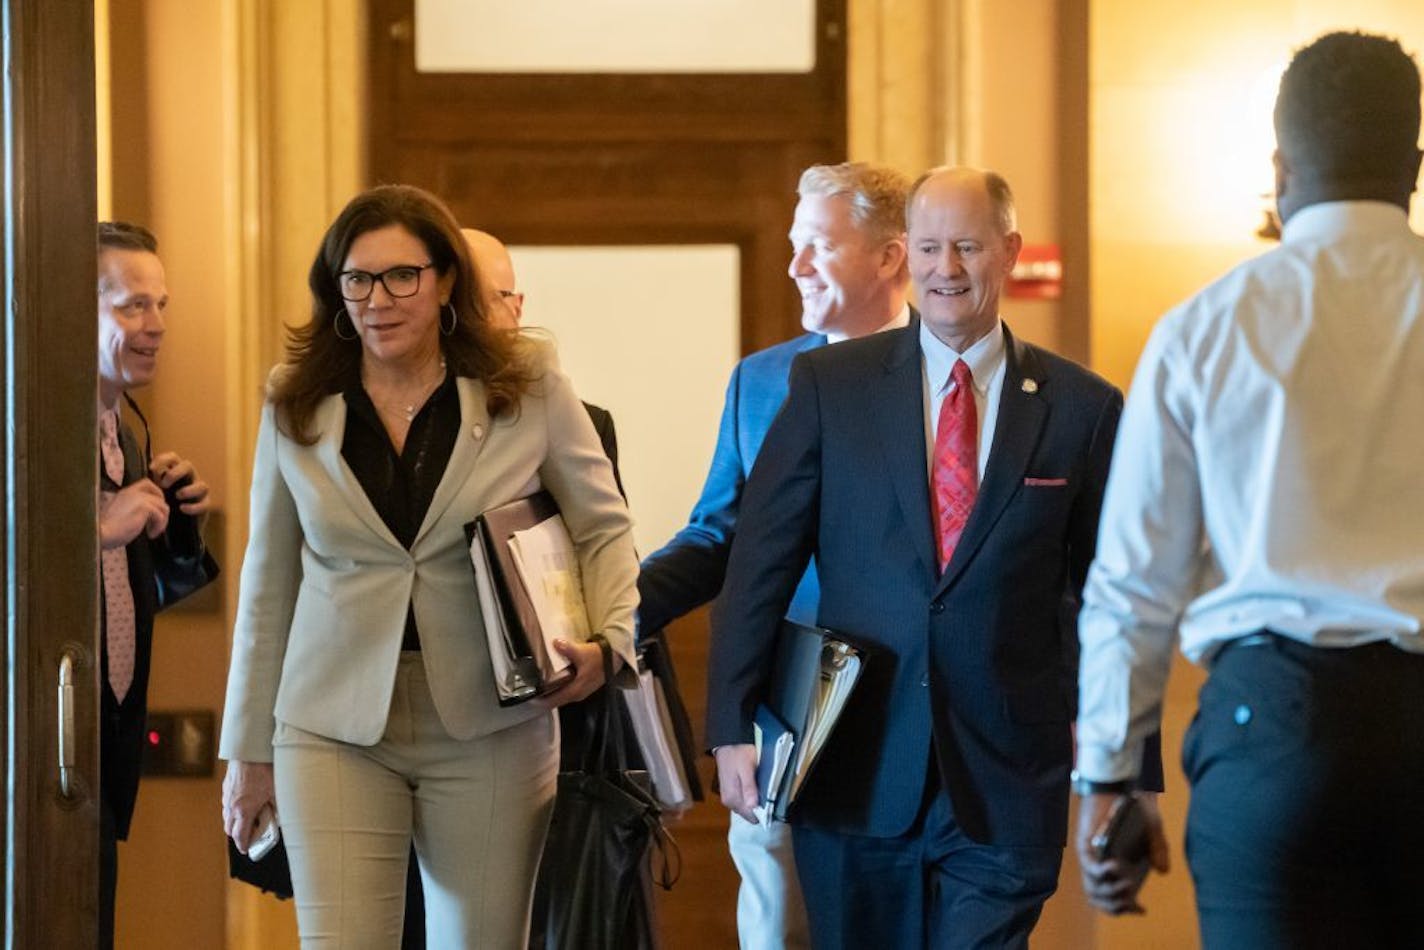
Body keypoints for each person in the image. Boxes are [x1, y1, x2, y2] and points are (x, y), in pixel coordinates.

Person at [707, 166, 1161, 948]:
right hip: (854, 765)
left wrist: (1133, 766)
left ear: (1008, 251)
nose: (946, 269)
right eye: (928, 248)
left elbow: (1111, 597)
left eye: (966, 247)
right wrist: (730, 723)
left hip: (1008, 779)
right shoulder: (828, 388)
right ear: (905, 256)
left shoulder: (1083, 410)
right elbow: (761, 563)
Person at [1074, 30, 1424, 948]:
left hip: (1274, 727)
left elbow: (1135, 582)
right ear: (1414, 163)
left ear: (1279, 165)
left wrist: (1109, 784)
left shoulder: (1204, 328)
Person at [218, 184, 639, 946]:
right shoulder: (297, 400)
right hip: (331, 723)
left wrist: (610, 642)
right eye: (357, 279)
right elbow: (268, 582)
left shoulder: (525, 383)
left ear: (445, 279)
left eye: (400, 276)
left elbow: (603, 527)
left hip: (490, 721)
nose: (377, 299)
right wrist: (246, 750)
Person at [639, 161, 912, 950]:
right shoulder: (761, 382)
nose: (794, 267)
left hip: (915, 711)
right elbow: (718, 535)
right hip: (789, 712)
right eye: (793, 245)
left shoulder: (946, 375)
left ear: (890, 256)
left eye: (818, 247)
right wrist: (613, 611)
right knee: (778, 929)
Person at [96, 221, 213, 948]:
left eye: (162, 305)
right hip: (40, 751)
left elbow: (132, 597)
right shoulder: (24, 427)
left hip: (103, 753)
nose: (157, 326)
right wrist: (96, 531)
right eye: (133, 305)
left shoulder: (126, 431)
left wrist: (179, 532)